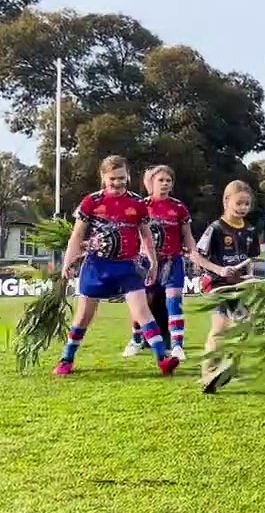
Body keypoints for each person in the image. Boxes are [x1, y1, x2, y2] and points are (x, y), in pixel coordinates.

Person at [56, 156, 180, 377]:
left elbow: (146, 236)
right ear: (103, 177)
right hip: (96, 267)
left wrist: (152, 262)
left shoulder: (137, 203)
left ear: (128, 176)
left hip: (128, 266)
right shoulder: (91, 202)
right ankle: (67, 358)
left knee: (142, 312)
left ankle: (163, 359)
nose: (118, 182)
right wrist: (68, 262)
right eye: (113, 178)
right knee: (83, 316)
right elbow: (77, 236)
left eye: (122, 178)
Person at [125, 165, 215, 363]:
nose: (165, 184)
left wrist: (195, 255)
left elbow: (187, 236)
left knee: (174, 302)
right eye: (161, 180)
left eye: (169, 180)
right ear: (151, 183)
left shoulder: (179, 208)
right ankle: (136, 339)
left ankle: (177, 346)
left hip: (173, 262)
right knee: (141, 303)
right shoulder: (141, 205)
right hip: (146, 263)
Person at [197, 181, 262, 392]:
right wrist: (219, 270)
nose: (243, 207)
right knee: (220, 327)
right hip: (218, 286)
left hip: (240, 288)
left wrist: (250, 279)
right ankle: (208, 374)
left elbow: (250, 260)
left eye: (247, 204)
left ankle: (228, 367)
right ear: (226, 201)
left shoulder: (250, 230)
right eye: (239, 203)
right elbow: (197, 256)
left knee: (244, 326)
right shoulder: (215, 229)